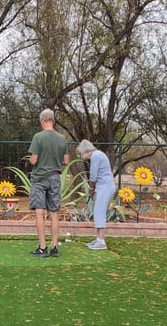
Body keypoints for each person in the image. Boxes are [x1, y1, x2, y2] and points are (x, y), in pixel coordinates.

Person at [28, 109, 70, 257]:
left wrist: (32, 160)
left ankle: (42, 247)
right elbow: (66, 161)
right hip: (55, 178)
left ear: (42, 121)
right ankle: (54, 247)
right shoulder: (62, 138)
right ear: (53, 120)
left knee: (39, 212)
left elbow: (34, 160)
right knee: (54, 213)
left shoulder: (38, 137)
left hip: (39, 179)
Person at [76, 139, 115, 250]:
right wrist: (93, 190)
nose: (82, 157)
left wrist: (91, 189)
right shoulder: (98, 155)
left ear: (85, 150)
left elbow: (93, 176)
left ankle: (101, 242)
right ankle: (98, 239)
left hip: (105, 187)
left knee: (99, 212)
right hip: (103, 187)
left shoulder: (96, 156)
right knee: (98, 212)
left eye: (81, 153)